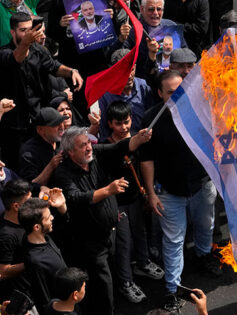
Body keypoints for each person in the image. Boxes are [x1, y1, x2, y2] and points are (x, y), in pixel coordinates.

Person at [140, 70, 220, 313]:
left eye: (181, 90)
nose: (178, 96)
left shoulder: (200, 111)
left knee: (205, 225)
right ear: (160, 94)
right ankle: (172, 290)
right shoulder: (151, 119)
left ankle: (204, 255)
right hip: (168, 192)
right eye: (172, 92)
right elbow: (146, 159)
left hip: (201, 185)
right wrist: (151, 193)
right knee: (173, 241)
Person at [53, 126, 151, 315]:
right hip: (90, 241)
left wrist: (138, 139)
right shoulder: (63, 173)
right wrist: (108, 190)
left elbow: (117, 148)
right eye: (83, 146)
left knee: (113, 272)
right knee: (103, 283)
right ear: (70, 152)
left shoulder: (95, 154)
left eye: (89, 142)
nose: (89, 147)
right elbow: (75, 198)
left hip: (110, 232)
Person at [0, 13, 83, 170]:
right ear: (13, 32)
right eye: (23, 30)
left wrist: (71, 71)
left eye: (30, 30)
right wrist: (25, 43)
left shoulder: (39, 51)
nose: (28, 34)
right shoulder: (4, 53)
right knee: (17, 166)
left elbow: (54, 66)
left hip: (39, 121)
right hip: (15, 127)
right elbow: (16, 58)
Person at [101, 101, 164, 304]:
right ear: (110, 123)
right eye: (118, 123)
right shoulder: (106, 146)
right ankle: (126, 282)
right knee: (124, 244)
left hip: (136, 199)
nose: (124, 127)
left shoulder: (139, 139)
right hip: (117, 205)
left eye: (126, 122)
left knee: (141, 233)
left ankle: (143, 263)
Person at [110, 0, 187, 80]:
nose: (155, 13)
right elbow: (116, 57)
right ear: (142, 9)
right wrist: (121, 39)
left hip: (173, 80)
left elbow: (185, 51)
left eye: (159, 9)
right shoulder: (134, 31)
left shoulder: (172, 26)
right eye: (151, 9)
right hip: (147, 83)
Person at [19, 196, 67, 314]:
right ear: (36, 227)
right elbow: (44, 299)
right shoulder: (35, 262)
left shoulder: (46, 236)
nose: (52, 218)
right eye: (48, 217)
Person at [99, 49, 154, 140]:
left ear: (135, 67)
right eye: (123, 72)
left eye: (131, 70)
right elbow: (104, 133)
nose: (129, 76)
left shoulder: (143, 86)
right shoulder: (105, 95)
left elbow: (152, 117)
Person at [0, 180, 32, 301]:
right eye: (28, 201)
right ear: (16, 206)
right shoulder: (6, 235)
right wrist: (31, 262)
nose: (33, 204)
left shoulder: (23, 220)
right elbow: (3, 272)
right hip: (20, 298)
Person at [19, 108, 68, 186]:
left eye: (61, 122)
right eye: (55, 124)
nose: (61, 127)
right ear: (40, 130)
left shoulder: (64, 142)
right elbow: (30, 186)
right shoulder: (29, 152)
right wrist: (51, 166)